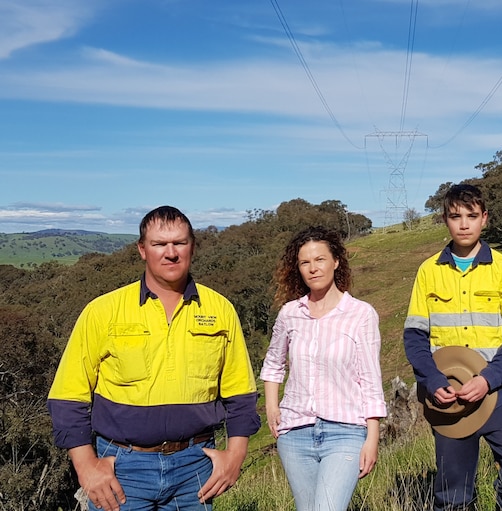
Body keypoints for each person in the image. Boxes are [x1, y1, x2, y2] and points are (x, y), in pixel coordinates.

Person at [47, 206, 261, 511]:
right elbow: (68, 395)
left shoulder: (221, 310)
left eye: (179, 243)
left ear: (192, 247)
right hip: (121, 469)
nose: (170, 253)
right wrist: (85, 467)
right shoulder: (102, 311)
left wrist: (235, 456)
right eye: (159, 244)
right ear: (142, 250)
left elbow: (240, 392)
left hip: (196, 468)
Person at [404, 184, 502, 511]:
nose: (463, 224)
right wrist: (434, 381)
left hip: (501, 395)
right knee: (453, 493)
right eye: (455, 216)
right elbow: (414, 337)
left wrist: (487, 379)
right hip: (448, 399)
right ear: (445, 220)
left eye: (471, 216)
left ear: (485, 219)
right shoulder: (428, 271)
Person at [260, 226, 387, 511]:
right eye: (305, 262)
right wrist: (272, 406)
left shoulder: (361, 314)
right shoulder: (290, 313)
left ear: (336, 262)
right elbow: (273, 363)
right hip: (294, 433)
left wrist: (372, 437)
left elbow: (370, 379)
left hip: (346, 432)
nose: (313, 269)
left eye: (320, 260)